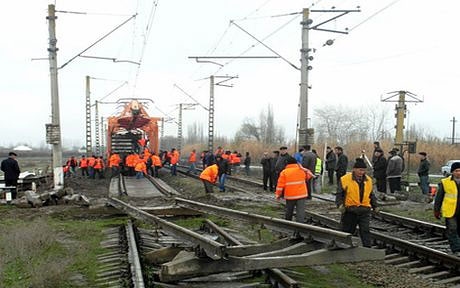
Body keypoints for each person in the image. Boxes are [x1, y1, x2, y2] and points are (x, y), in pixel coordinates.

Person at [336, 158, 378, 247]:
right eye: (360, 170)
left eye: (363, 170)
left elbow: (371, 194)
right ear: (354, 169)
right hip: (350, 210)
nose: (361, 172)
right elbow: (339, 194)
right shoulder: (345, 179)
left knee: (365, 230)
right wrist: (340, 205)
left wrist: (375, 206)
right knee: (347, 231)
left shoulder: (368, 180)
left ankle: (368, 249)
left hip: (364, 210)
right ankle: (344, 248)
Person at [275, 156, 313, 223]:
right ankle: (300, 227)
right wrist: (303, 168)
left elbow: (280, 186)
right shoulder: (301, 170)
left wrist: (278, 195)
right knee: (300, 212)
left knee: (289, 211)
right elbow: (309, 176)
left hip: (290, 195)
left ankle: (288, 224)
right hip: (302, 195)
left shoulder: (284, 172)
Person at [434, 162, 460, 255]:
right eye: (456, 171)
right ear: (452, 172)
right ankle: (456, 249)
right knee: (452, 230)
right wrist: (436, 210)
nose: (458, 173)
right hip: (450, 211)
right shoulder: (445, 182)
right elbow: (439, 197)